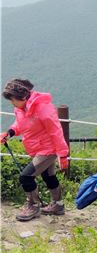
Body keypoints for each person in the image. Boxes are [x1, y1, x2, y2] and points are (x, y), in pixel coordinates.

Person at [1, 79, 69, 221]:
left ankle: (33, 206)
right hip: (38, 148)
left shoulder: (43, 109)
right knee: (48, 176)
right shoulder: (21, 108)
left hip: (48, 149)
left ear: (23, 97)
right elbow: (20, 123)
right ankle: (58, 204)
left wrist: (62, 155)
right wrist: (9, 133)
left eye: (13, 100)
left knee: (26, 177)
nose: (12, 103)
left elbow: (56, 131)